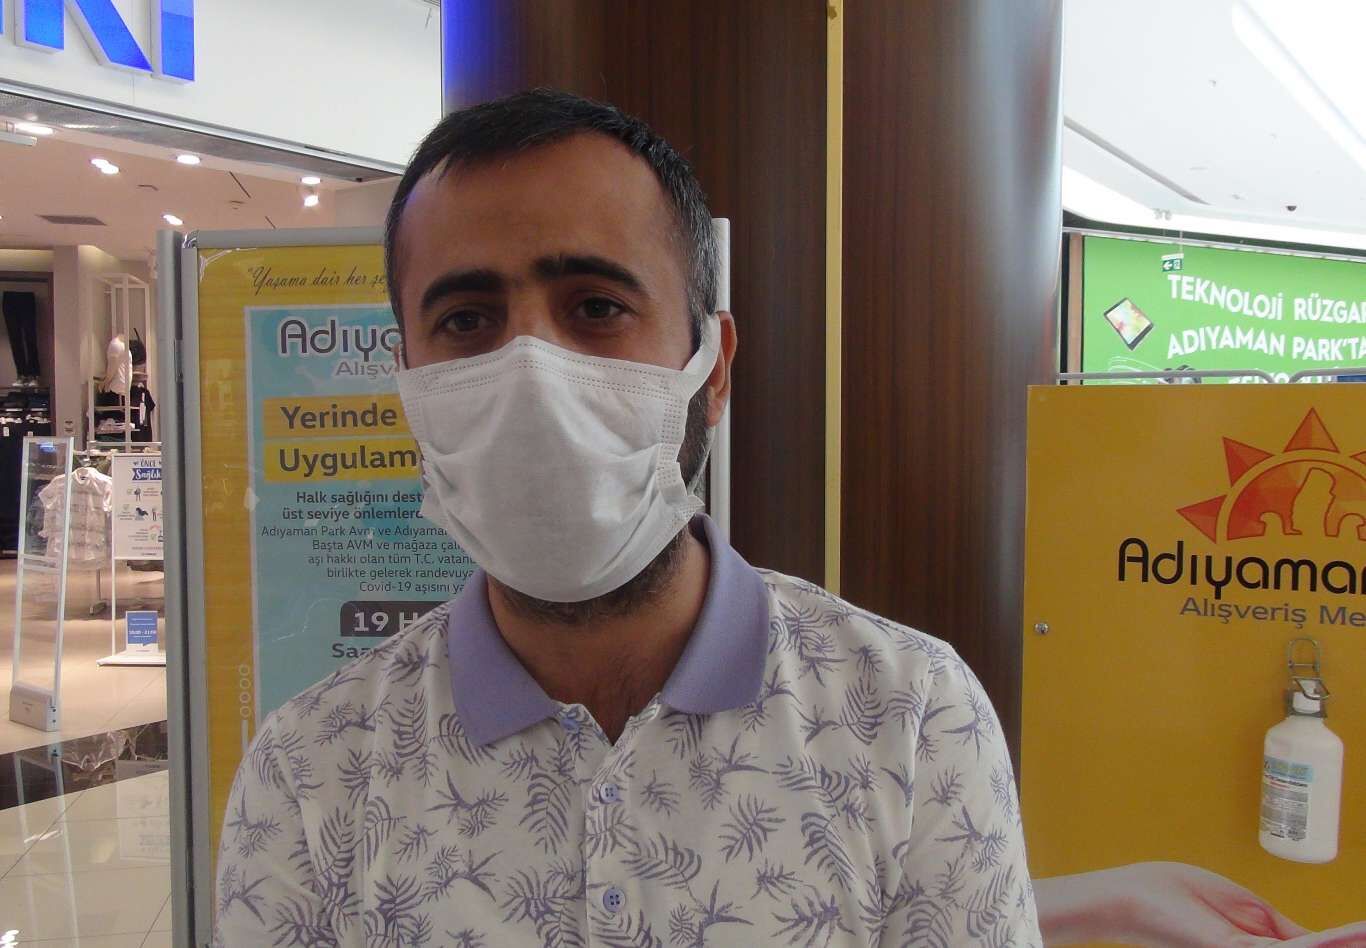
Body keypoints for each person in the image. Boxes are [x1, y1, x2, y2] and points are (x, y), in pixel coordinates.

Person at [214, 89, 1040, 946]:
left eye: (597, 307)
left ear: (713, 370)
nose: (531, 373)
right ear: (408, 384)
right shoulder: (310, 772)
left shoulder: (912, 719)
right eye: (465, 320)